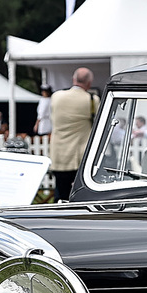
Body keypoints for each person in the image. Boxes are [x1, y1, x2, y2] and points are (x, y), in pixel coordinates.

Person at [48, 67, 99, 200]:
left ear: (74, 79)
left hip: (59, 154)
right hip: (79, 156)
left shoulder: (56, 97)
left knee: (60, 191)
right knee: (80, 195)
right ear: (89, 83)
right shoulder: (92, 100)